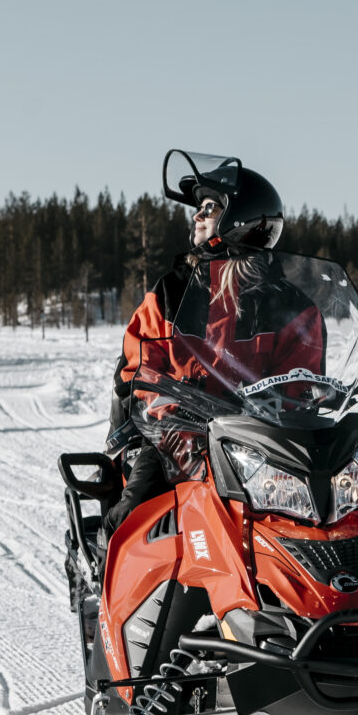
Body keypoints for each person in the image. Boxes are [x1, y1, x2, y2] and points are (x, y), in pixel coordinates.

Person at [99, 156, 319, 544]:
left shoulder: (292, 308)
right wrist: (169, 417)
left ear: (240, 219)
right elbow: (138, 366)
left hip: (258, 448)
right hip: (176, 438)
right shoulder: (172, 292)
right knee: (134, 517)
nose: (197, 217)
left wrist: (293, 409)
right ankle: (106, 580)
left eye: (209, 207)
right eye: (199, 209)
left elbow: (303, 383)